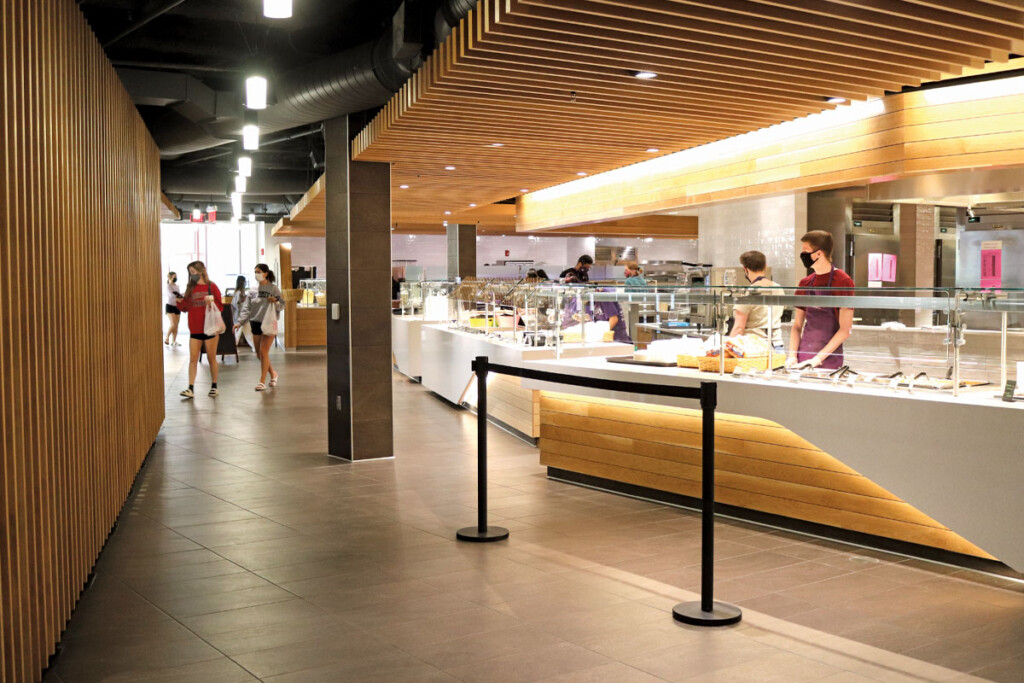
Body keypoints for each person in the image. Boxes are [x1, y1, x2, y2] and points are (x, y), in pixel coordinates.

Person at [787, 231, 855, 369]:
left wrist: (817, 359)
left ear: (819, 253)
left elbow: (845, 330)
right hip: (803, 355)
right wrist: (792, 355)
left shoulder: (843, 281)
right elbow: (797, 326)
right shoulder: (805, 283)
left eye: (805, 251)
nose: (802, 256)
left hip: (828, 360)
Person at [176, 261, 222, 398]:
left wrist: (211, 303)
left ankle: (214, 385)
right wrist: (179, 302)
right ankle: (190, 387)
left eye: (194, 272)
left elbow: (220, 306)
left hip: (210, 328)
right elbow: (186, 307)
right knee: (193, 358)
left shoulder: (211, 287)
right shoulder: (190, 287)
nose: (192, 275)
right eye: (190, 272)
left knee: (211, 357)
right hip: (195, 328)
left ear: (201, 271)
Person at [234, 263, 283, 391]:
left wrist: (276, 302)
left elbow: (282, 305)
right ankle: (273, 373)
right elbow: (246, 308)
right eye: (255, 271)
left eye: (259, 271)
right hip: (255, 323)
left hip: (269, 322)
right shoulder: (252, 290)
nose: (257, 274)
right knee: (258, 353)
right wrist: (239, 322)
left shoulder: (273, 288)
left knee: (264, 352)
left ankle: (262, 381)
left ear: (266, 273)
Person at [729, 251, 784, 351]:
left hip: (754, 346)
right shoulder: (778, 288)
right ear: (765, 266)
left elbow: (739, 328)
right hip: (777, 345)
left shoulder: (749, 292)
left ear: (745, 269)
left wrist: (726, 348)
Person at [230, 275, 254, 352]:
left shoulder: (239, 292)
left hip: (242, 317)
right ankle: (233, 348)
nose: (245, 283)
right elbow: (238, 305)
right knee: (238, 333)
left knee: (248, 333)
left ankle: (254, 347)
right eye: (244, 282)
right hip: (240, 318)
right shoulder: (239, 293)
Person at [164, 272, 182, 346]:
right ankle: (167, 337)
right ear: (170, 277)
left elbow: (178, 295)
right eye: (174, 277)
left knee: (176, 324)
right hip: (170, 306)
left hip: (177, 306)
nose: (175, 278)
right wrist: (178, 298)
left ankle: (174, 341)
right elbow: (172, 296)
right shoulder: (168, 286)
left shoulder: (177, 286)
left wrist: (181, 297)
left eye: (176, 276)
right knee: (173, 324)